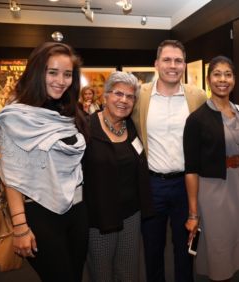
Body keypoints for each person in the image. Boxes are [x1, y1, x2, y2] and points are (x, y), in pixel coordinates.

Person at [0, 42, 89, 282]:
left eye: (67, 74)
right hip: (39, 214)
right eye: (52, 72)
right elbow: (11, 175)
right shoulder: (17, 115)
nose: (61, 80)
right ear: (37, 72)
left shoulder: (68, 110)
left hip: (77, 210)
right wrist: (20, 226)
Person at [132, 39, 207, 282]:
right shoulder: (140, 95)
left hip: (187, 186)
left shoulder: (197, 96)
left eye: (178, 60)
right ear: (156, 64)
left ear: (184, 65)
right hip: (152, 185)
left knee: (185, 248)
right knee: (152, 249)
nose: (172, 65)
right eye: (167, 59)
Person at [184, 56, 239, 281]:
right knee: (219, 249)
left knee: (238, 250)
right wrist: (193, 213)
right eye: (217, 74)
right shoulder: (197, 119)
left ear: (234, 79)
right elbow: (191, 169)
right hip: (215, 189)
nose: (222, 79)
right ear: (208, 80)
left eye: (228, 74)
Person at [83, 71, 154, 281]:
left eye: (130, 96)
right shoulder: (86, 128)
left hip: (131, 214)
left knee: (129, 272)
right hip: (100, 218)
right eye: (118, 94)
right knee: (101, 273)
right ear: (105, 96)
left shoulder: (131, 127)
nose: (124, 100)